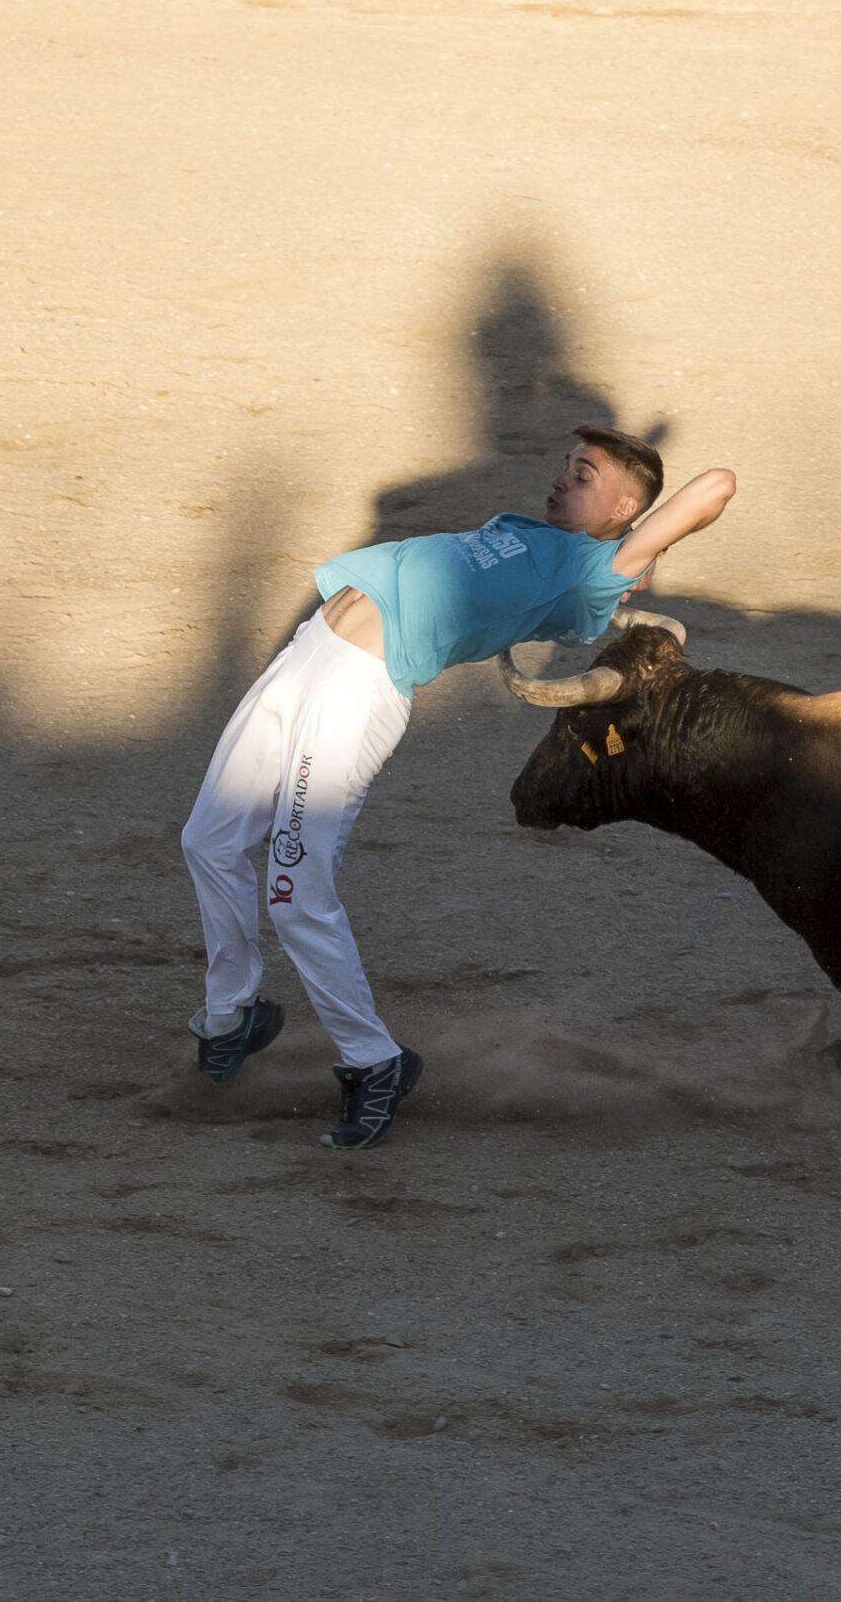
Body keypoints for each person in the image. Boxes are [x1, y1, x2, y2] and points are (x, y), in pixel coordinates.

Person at [178, 426, 737, 1148]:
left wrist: (646, 545)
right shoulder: (537, 535)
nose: (563, 479)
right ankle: (232, 1016)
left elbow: (715, 483)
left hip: (358, 686)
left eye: (585, 474)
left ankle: (374, 1061)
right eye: (566, 465)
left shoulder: (595, 567)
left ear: (624, 505)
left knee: (294, 893)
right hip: (308, 653)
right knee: (210, 839)